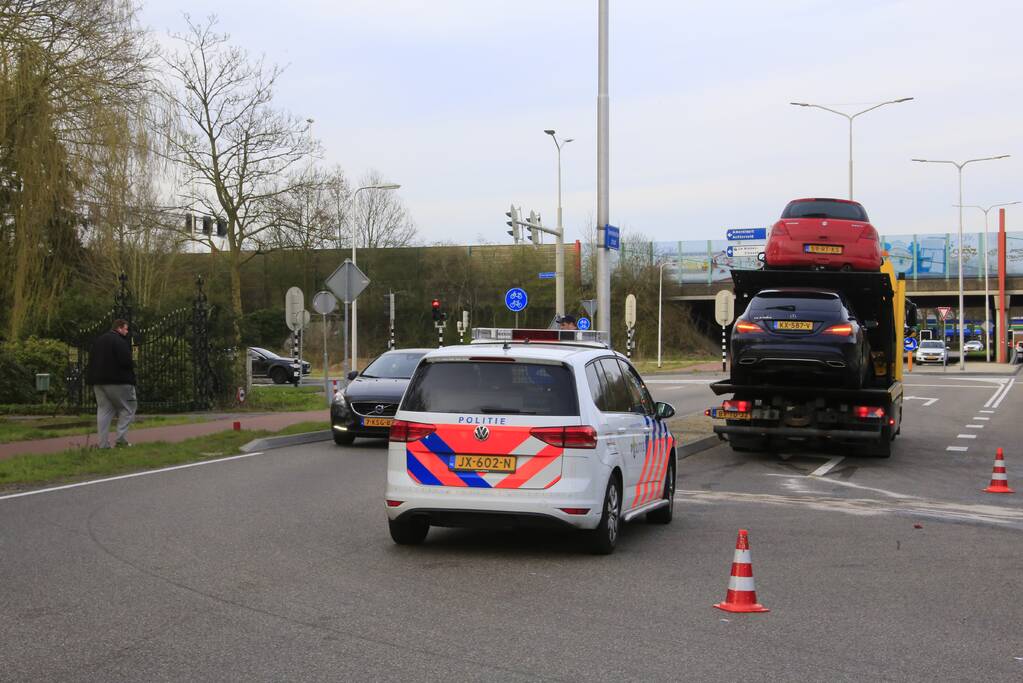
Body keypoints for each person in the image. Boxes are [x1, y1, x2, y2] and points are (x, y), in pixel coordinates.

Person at [86, 319, 137, 448]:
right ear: (119, 328)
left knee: (104, 410)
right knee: (128, 408)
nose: (127, 331)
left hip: (98, 382)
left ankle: (103, 444)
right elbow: (126, 362)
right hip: (119, 381)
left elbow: (91, 360)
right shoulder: (120, 342)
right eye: (126, 329)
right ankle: (121, 440)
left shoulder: (98, 341)